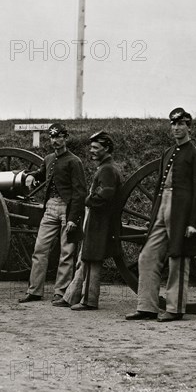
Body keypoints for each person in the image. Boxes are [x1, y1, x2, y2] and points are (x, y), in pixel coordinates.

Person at [126, 108, 196, 322]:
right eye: (173, 124)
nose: (176, 128)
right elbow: (158, 188)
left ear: (189, 127)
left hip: (182, 210)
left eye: (181, 124)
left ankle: (175, 308)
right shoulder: (168, 152)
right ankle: (147, 306)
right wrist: (155, 214)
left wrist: (194, 222)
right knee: (147, 256)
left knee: (178, 258)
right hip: (163, 207)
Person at [53, 131, 123, 310]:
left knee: (92, 259)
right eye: (91, 147)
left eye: (95, 148)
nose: (91, 151)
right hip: (96, 219)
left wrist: (87, 199)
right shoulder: (106, 167)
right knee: (84, 259)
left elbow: (105, 195)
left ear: (106, 149)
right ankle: (71, 296)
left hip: (100, 221)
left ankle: (89, 300)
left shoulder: (107, 169)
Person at [19, 123, 87, 304]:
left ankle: (61, 292)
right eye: (52, 137)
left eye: (58, 137)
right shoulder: (49, 158)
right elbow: (43, 174)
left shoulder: (74, 161)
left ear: (66, 138)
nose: (55, 141)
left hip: (67, 208)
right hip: (49, 208)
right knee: (39, 249)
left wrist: (73, 218)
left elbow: (80, 192)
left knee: (66, 252)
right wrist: (32, 175)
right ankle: (34, 291)